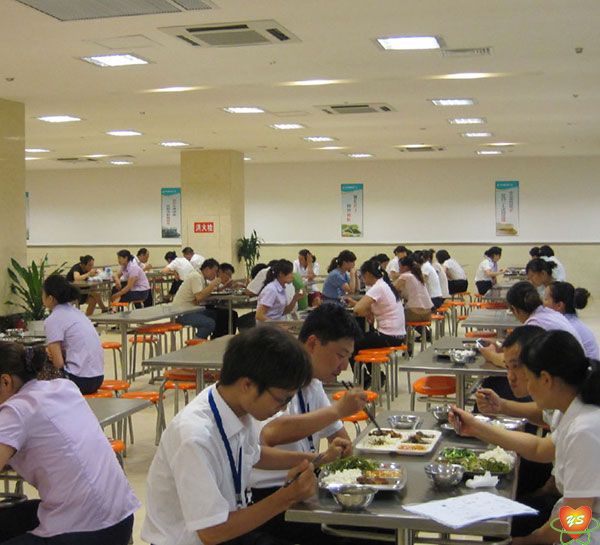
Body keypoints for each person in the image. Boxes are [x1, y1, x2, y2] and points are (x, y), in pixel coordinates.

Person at [141, 327, 322, 545]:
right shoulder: (194, 436)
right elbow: (211, 533)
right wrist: (288, 496)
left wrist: (315, 460)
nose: (283, 408)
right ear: (247, 385)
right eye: (282, 399)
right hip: (198, 538)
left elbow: (254, 455)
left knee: (332, 531)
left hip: (230, 525)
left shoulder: (233, 404)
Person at [450, 330, 600, 545]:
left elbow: (574, 522)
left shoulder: (585, 429)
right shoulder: (574, 409)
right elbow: (540, 448)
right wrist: (476, 427)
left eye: (528, 379)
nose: (527, 387)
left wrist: (527, 541)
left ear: (546, 379)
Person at [0, 342, 139, 544]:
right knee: (10, 518)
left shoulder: (16, 410)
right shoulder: (63, 387)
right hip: (120, 520)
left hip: (89, 530)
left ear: (5, 382)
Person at [251, 304, 367, 544]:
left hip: (305, 483)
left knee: (378, 522)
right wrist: (338, 410)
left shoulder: (313, 383)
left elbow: (340, 438)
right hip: (269, 495)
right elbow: (270, 433)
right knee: (363, 534)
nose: (345, 366)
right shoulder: (275, 375)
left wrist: (344, 452)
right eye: (340, 355)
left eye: (348, 357)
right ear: (313, 344)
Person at [475, 326, 558, 537]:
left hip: (582, 528)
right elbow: (541, 439)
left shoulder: (582, 426)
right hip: (558, 492)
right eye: (507, 367)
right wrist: (501, 406)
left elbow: (579, 515)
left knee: (495, 519)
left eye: (516, 367)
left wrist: (531, 541)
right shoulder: (562, 400)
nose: (510, 377)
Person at [479, 281, 583, 368]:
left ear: (514, 309)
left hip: (566, 378)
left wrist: (490, 355)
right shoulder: (550, 313)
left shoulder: (534, 325)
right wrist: (500, 346)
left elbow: (513, 362)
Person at [347, 259, 406, 387]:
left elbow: (358, 310)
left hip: (388, 336)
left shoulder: (377, 288)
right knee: (364, 341)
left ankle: (365, 379)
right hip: (397, 335)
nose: (363, 279)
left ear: (368, 274)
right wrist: (365, 309)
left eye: (362, 276)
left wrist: (364, 310)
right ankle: (377, 376)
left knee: (351, 344)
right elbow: (371, 307)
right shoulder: (385, 285)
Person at [42, 275, 104, 394]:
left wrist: (51, 353)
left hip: (79, 380)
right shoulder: (76, 312)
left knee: (38, 366)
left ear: (50, 298)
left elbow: (58, 364)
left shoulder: (53, 319)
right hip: (98, 377)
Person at [544, 282, 599, 359]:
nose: (543, 303)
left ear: (559, 305)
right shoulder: (569, 322)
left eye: (546, 299)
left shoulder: (564, 327)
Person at [173, 258, 221, 339]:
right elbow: (199, 297)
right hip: (182, 313)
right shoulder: (196, 276)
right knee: (209, 323)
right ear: (207, 269)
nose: (216, 274)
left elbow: (204, 293)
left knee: (216, 314)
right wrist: (212, 285)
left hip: (191, 309)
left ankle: (209, 339)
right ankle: (194, 344)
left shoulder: (201, 278)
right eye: (215, 271)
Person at [394, 255, 433, 322]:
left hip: (414, 313)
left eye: (399, 266)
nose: (398, 269)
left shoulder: (405, 276)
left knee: (393, 316)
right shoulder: (417, 276)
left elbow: (392, 289)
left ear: (405, 267)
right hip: (428, 314)